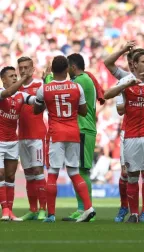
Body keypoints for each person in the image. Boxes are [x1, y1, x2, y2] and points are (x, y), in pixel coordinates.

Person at [104, 50, 144, 223]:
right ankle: (134, 214)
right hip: (131, 135)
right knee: (132, 175)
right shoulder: (126, 81)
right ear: (135, 64)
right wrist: (126, 85)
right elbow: (106, 95)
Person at [34, 56, 96, 223]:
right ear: (67, 68)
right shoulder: (77, 87)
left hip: (56, 134)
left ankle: (51, 214)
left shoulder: (45, 89)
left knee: (53, 173)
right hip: (73, 133)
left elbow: (36, 109)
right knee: (75, 172)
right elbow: (83, 111)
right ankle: (88, 207)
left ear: (52, 70)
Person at [59, 53, 97, 222]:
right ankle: (82, 208)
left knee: (82, 170)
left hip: (83, 128)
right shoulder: (85, 79)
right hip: (81, 128)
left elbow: (62, 89)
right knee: (77, 169)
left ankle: (86, 208)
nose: (66, 71)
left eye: (67, 68)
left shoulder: (81, 80)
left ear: (73, 67)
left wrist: (48, 80)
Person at [0, 65, 35, 221]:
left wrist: (47, 86)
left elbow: (36, 101)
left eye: (16, 75)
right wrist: (23, 78)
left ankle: (11, 211)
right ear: (3, 79)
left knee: (11, 176)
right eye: (11, 76)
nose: (15, 77)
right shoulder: (1, 92)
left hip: (12, 141)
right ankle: (5, 210)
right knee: (0, 174)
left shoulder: (21, 95)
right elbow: (8, 92)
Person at [17, 57, 47, 221]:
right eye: (20, 67)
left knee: (38, 170)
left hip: (37, 135)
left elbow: (44, 105)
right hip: (21, 135)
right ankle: (33, 210)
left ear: (32, 69)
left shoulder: (39, 85)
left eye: (26, 67)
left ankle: (43, 209)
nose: (23, 70)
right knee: (28, 173)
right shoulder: (16, 87)